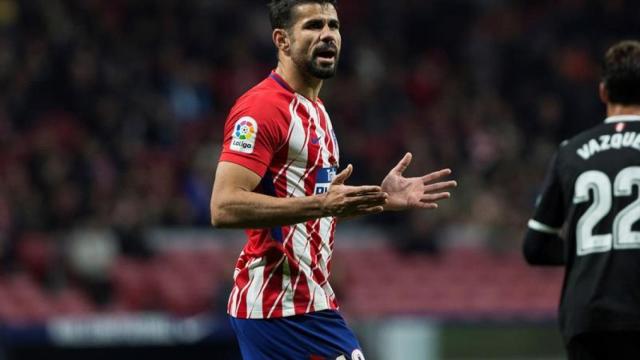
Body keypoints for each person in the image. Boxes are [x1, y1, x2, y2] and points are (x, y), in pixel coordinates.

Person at [210, 1, 457, 359]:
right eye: (312, 26)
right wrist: (323, 202)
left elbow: (306, 212)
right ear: (282, 40)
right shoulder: (261, 108)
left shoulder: (318, 113)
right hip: (283, 306)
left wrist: (378, 200)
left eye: (333, 26)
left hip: (306, 300)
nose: (327, 35)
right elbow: (224, 206)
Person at [523, 40, 640, 359]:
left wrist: (591, 247)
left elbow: (534, 247)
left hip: (587, 318)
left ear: (603, 92)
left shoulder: (570, 153)